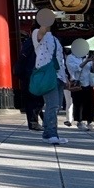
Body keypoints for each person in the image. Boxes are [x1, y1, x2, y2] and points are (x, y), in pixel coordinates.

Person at [33, 9, 69, 145]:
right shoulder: (37, 33)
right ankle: (50, 134)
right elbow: (42, 31)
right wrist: (47, 17)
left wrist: (65, 77)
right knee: (52, 105)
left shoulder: (55, 39)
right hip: (47, 75)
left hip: (59, 75)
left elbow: (60, 59)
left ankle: (50, 133)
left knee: (57, 106)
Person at [15, 27, 43, 131]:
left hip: (33, 74)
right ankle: (33, 122)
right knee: (35, 99)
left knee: (37, 100)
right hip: (30, 74)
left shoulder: (33, 43)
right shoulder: (31, 44)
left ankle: (34, 121)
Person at [66, 40, 94, 131]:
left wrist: (93, 61)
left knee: (90, 103)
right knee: (78, 103)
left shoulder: (87, 57)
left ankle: (90, 122)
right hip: (77, 83)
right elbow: (75, 68)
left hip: (88, 82)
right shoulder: (70, 58)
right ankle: (79, 121)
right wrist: (86, 61)